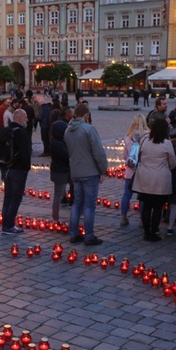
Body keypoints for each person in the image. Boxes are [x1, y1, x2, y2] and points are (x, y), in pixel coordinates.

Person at [64, 103, 108, 246]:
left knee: (77, 203)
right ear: (87, 115)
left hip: (75, 172)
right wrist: (103, 169)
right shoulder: (89, 129)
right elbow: (98, 152)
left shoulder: (67, 130)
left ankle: (74, 234)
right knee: (89, 205)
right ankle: (89, 236)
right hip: (90, 172)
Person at [131, 119, 176, 242]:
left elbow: (139, 157)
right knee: (158, 208)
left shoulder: (145, 141)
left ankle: (146, 232)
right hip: (160, 179)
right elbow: (172, 163)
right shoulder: (167, 143)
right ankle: (153, 232)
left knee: (146, 206)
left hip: (145, 178)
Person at [1, 109, 32, 234]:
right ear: (19, 118)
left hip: (6, 168)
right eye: (25, 117)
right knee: (15, 198)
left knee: (8, 197)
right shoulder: (22, 133)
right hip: (18, 169)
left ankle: (5, 224)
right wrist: (26, 168)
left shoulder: (7, 131)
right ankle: (9, 225)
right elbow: (25, 153)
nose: (27, 120)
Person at [120, 114, 149, 227]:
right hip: (143, 169)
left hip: (130, 171)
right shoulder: (148, 136)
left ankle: (123, 217)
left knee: (127, 194)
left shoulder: (128, 137)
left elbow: (125, 156)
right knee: (142, 196)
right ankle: (142, 220)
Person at [49, 110, 70, 223]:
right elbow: (67, 156)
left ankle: (55, 215)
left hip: (62, 170)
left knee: (60, 193)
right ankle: (55, 217)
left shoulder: (57, 141)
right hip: (60, 172)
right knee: (58, 195)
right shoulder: (57, 143)